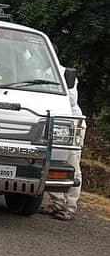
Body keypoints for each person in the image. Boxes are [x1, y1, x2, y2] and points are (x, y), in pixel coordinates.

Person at [41, 69, 85, 221]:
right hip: (52, 123)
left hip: (70, 124)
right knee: (53, 162)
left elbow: (71, 100)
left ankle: (70, 206)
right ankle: (57, 202)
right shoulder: (36, 71)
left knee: (72, 163)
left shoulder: (64, 73)